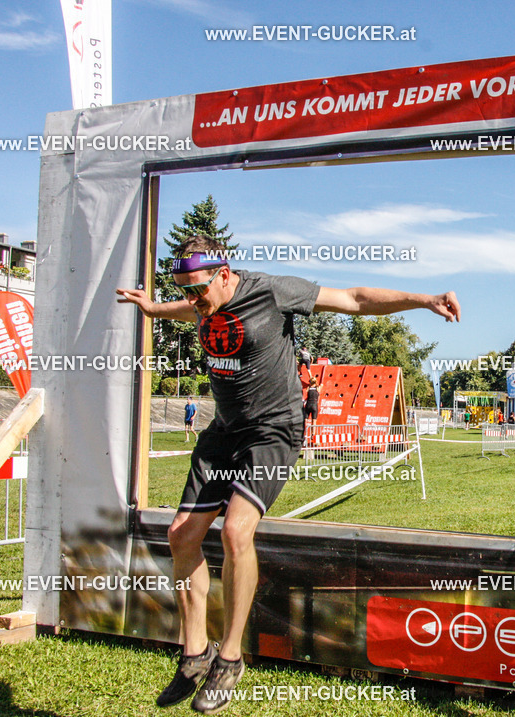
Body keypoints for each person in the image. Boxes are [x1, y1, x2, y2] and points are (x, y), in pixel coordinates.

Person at [117, 235, 459, 713]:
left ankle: (230, 658)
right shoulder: (200, 300)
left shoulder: (272, 291)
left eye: (198, 290)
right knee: (181, 535)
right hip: (226, 430)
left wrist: (425, 300)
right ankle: (195, 654)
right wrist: (154, 308)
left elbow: (354, 301)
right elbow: (186, 307)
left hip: (274, 429)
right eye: (186, 292)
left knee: (237, 531)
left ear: (225, 274)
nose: (194, 302)